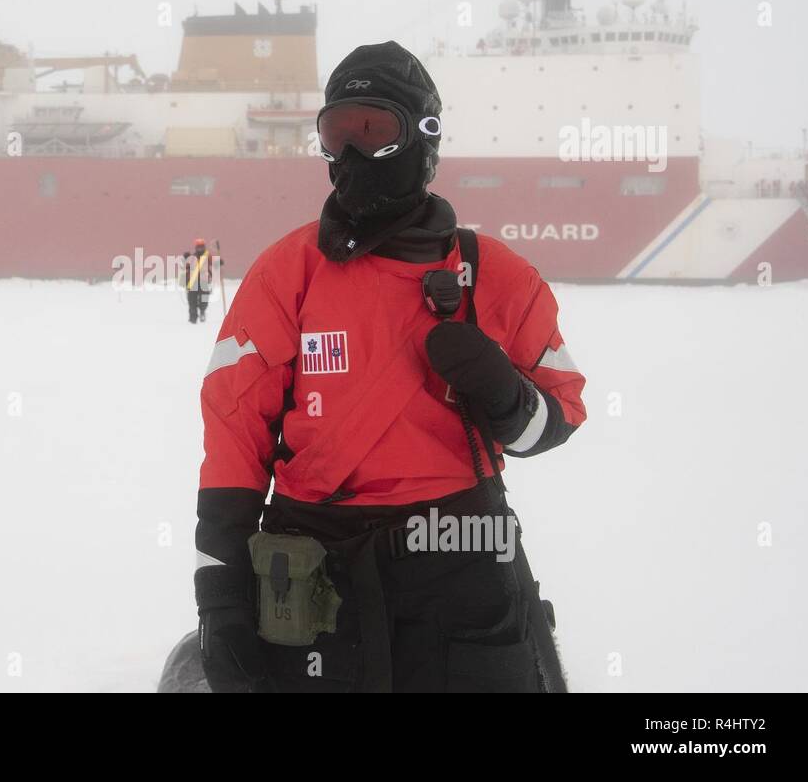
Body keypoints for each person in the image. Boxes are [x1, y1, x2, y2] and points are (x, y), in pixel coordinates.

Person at [192, 42, 587, 693]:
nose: (349, 155)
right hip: (313, 571)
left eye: (373, 130)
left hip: (462, 561)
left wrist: (505, 392)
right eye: (334, 133)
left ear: (424, 137)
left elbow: (556, 416)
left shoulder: (500, 279)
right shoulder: (286, 274)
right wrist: (221, 593)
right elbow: (233, 439)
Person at [179, 238, 217, 324]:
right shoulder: (192, 257)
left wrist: (219, 263)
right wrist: (185, 259)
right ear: (196, 248)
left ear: (204, 247)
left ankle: (202, 312)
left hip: (204, 281)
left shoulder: (208, 256)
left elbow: (215, 263)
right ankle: (193, 319)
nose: (200, 249)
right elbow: (184, 266)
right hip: (192, 283)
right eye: (198, 247)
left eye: (201, 247)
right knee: (192, 302)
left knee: (204, 300)